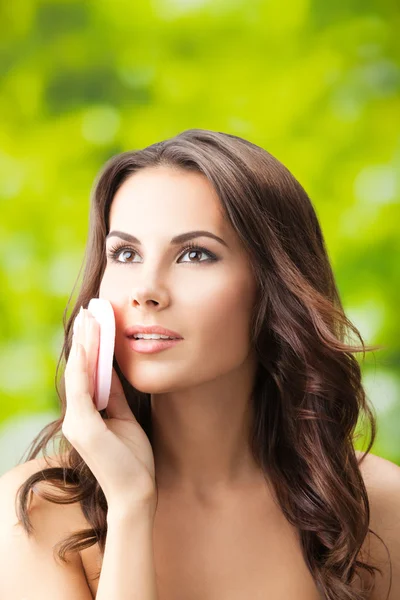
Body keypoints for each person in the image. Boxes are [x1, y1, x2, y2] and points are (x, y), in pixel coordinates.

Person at [0, 128, 399, 599]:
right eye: (125, 253)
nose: (145, 289)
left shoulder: (374, 503)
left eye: (195, 254)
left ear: (274, 288)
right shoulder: (36, 509)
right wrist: (129, 506)